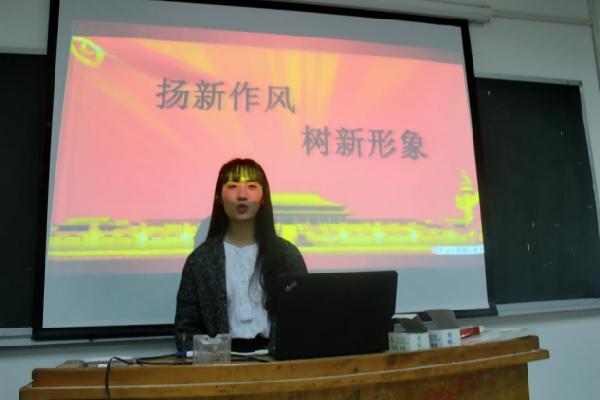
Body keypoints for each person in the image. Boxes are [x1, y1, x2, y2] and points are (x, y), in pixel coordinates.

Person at [174, 158, 307, 352]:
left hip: (275, 360)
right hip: (220, 363)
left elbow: (303, 316)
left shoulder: (287, 255)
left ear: (263, 197)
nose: (242, 195)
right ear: (219, 197)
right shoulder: (200, 260)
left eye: (252, 186)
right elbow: (186, 328)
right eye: (232, 186)